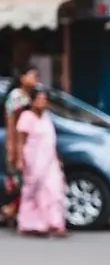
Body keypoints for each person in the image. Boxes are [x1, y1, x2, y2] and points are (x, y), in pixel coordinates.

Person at [14, 88, 66, 237]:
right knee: (33, 192)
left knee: (55, 190)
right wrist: (19, 159)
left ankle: (55, 224)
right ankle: (30, 224)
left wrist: (57, 158)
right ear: (32, 101)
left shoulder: (46, 118)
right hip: (33, 160)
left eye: (44, 99)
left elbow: (51, 141)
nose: (42, 102)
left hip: (49, 161)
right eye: (39, 99)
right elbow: (20, 141)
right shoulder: (26, 117)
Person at [4, 66, 40, 227]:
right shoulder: (16, 96)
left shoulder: (30, 96)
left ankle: (14, 212)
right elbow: (11, 123)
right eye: (32, 76)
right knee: (20, 182)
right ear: (22, 78)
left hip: (31, 145)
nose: (35, 79)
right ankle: (9, 210)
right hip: (18, 143)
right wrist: (12, 148)